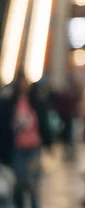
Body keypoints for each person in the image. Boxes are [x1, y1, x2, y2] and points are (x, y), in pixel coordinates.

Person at [0, 73, 53, 208]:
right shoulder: (10, 104)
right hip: (18, 148)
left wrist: (48, 142)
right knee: (19, 184)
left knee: (34, 185)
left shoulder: (35, 103)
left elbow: (43, 123)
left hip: (33, 148)